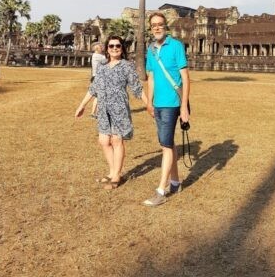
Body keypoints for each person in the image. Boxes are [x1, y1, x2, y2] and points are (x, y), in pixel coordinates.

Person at [74, 36, 151, 189]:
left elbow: (137, 88)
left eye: (118, 46)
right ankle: (111, 171)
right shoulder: (102, 67)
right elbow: (93, 88)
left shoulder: (127, 66)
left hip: (119, 110)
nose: (115, 48)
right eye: (111, 46)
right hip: (103, 110)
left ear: (122, 48)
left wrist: (149, 104)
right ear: (107, 49)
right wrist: (82, 105)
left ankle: (116, 175)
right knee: (103, 141)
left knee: (116, 141)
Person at [143, 12, 191, 207]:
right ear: (150, 28)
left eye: (160, 24)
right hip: (158, 104)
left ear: (165, 26)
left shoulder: (176, 46)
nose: (157, 27)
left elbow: (186, 78)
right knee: (168, 143)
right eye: (153, 25)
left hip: (173, 103)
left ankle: (161, 190)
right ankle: (175, 182)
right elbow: (152, 77)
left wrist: (184, 106)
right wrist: (149, 101)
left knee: (165, 146)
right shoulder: (151, 50)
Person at [89, 42, 106, 115]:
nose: (102, 48)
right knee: (100, 96)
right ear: (97, 48)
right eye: (101, 47)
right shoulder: (100, 56)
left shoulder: (94, 55)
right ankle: (96, 112)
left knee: (98, 96)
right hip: (99, 77)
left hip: (95, 76)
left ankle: (94, 112)